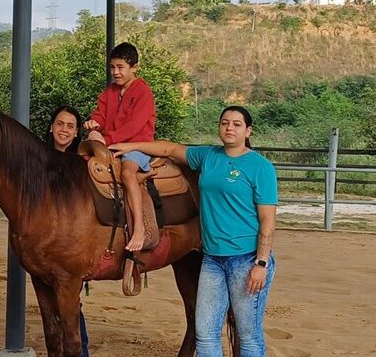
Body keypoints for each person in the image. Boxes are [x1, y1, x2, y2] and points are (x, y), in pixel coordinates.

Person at [110, 106, 278, 357]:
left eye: (236, 124)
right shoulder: (208, 156)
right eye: (224, 123)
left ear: (248, 130)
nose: (229, 128)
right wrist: (130, 147)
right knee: (206, 334)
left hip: (246, 259)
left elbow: (267, 222)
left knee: (249, 335)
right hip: (212, 260)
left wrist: (261, 263)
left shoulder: (260, 167)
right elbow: (169, 149)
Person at [84, 41, 156, 252]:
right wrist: (94, 124)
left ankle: (140, 229)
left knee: (127, 172)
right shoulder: (110, 91)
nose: (115, 72)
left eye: (120, 67)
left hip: (137, 144)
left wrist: (107, 139)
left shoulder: (143, 92)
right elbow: (101, 114)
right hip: (113, 143)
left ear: (134, 67)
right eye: (113, 67)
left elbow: (135, 126)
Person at [44, 105, 91, 357]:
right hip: (45, 243)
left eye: (70, 126)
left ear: (75, 135)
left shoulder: (79, 165)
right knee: (61, 301)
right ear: (51, 127)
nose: (64, 130)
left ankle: (81, 351)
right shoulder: (37, 160)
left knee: (69, 301)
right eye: (60, 124)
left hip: (69, 245)